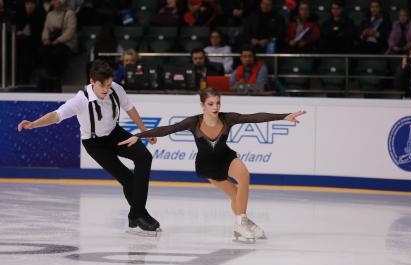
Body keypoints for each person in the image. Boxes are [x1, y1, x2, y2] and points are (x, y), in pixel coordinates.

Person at [118, 88, 306, 242]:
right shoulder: (194, 122)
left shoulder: (228, 118)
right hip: (208, 165)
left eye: (218, 103)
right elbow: (168, 129)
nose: (215, 107)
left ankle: (241, 223)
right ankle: (243, 222)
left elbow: (255, 117)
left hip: (226, 158)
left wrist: (284, 116)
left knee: (244, 175)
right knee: (235, 196)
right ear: (202, 105)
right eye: (211, 104)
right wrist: (139, 136)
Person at [17, 60, 161, 235]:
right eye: (102, 85)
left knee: (144, 157)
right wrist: (34, 124)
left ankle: (136, 214)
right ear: (92, 81)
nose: (106, 90)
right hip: (95, 144)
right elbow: (57, 115)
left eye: (108, 85)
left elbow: (130, 108)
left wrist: (144, 131)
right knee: (127, 179)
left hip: (115, 134)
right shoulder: (81, 100)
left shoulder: (116, 89)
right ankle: (140, 214)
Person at [40, 0, 77, 77]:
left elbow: (70, 31)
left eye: (57, 1)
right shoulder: (49, 14)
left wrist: (58, 40)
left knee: (58, 53)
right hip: (51, 41)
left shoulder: (69, 14)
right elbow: (46, 29)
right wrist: (45, 38)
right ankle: (50, 75)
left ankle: (58, 75)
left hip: (65, 42)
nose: (55, 3)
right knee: (43, 51)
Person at [14, 0, 46, 84]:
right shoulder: (20, 13)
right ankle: (17, 78)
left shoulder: (40, 14)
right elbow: (17, 27)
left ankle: (25, 79)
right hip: (21, 42)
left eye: (32, 4)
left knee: (27, 52)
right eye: (27, 4)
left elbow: (38, 31)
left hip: (35, 42)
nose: (29, 6)